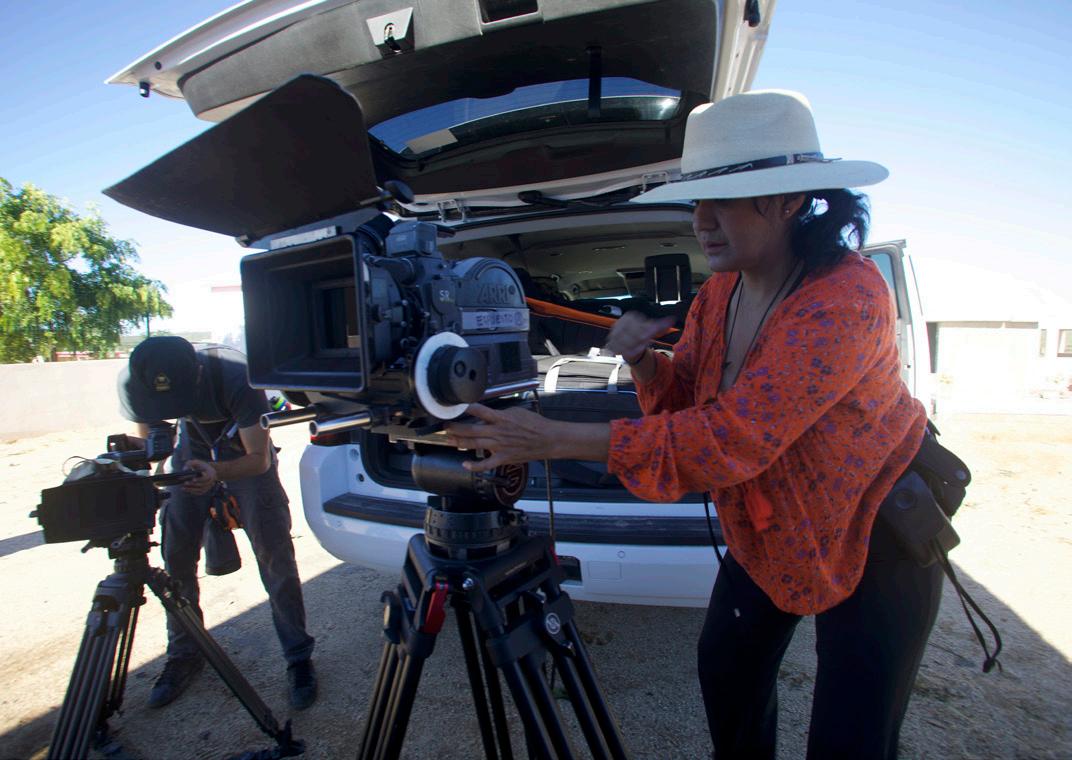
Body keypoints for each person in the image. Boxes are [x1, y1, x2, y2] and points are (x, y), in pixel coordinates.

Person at [446, 90, 942, 759]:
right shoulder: (720, 291)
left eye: (724, 199)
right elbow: (688, 397)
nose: (701, 220)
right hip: (768, 523)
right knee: (728, 672)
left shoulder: (846, 297)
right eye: (697, 199)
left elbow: (734, 436)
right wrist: (644, 362)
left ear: (790, 200)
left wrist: (551, 438)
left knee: (852, 734)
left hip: (874, 522)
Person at [117, 336, 318, 710]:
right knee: (176, 555)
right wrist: (135, 460)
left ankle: (298, 657)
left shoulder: (236, 376)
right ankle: (185, 654)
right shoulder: (138, 383)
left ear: (196, 374)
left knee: (275, 556)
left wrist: (217, 472)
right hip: (190, 449)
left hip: (243, 450)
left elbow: (258, 459)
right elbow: (154, 449)